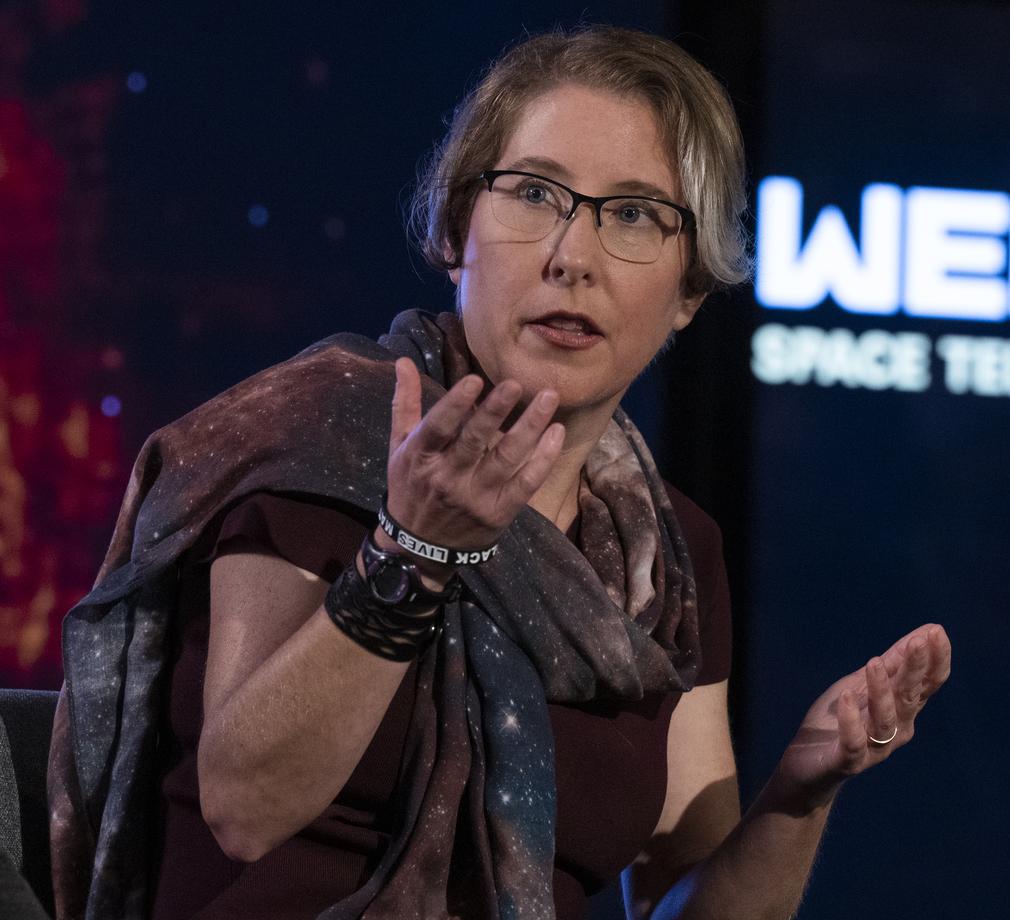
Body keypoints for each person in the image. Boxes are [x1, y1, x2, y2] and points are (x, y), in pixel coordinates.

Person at [48, 25, 951, 920]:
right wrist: (413, 551)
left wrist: (800, 789)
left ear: (688, 294)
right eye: (533, 193)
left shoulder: (667, 560)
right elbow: (247, 807)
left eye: (635, 213)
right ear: (454, 230)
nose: (573, 256)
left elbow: (687, 905)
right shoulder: (319, 443)